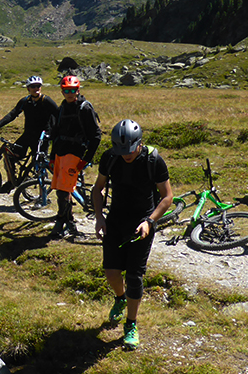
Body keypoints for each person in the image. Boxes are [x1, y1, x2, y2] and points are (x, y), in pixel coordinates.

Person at [92, 119, 173, 350]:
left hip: (142, 223)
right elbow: (97, 188)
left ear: (139, 143)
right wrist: (99, 217)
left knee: (135, 276)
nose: (125, 155)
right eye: (121, 151)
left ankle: (131, 323)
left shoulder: (153, 161)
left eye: (129, 150)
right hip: (116, 220)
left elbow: (167, 196)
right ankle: (119, 298)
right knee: (111, 270)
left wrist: (150, 221)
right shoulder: (110, 158)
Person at [49, 75, 101, 238]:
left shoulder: (84, 108)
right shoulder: (62, 108)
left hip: (75, 153)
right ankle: (69, 222)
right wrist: (52, 156)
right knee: (60, 190)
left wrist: (86, 158)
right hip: (60, 152)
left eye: (72, 90)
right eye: (66, 91)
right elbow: (56, 133)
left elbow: (96, 136)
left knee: (63, 191)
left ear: (78, 90)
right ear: (62, 92)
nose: (70, 94)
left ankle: (61, 222)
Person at [0, 75, 58, 192]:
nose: (36, 88)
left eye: (38, 86)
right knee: (10, 156)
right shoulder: (25, 101)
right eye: (33, 86)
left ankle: (43, 197)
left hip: (42, 137)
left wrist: (52, 133)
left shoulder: (46, 101)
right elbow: (12, 114)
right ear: (28, 88)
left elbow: (58, 116)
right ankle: (11, 181)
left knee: (39, 165)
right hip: (28, 135)